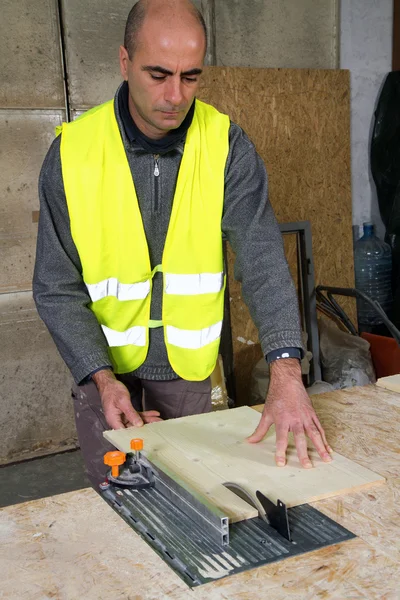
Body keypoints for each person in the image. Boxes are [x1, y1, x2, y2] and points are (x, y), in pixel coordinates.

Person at [33, 0, 332, 488]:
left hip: (186, 375)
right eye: (158, 74)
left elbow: (262, 259)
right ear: (125, 62)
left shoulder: (226, 145)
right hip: (102, 372)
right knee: (119, 501)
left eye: (190, 77)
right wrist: (101, 380)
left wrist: (285, 370)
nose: (175, 95)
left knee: (191, 494)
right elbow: (55, 285)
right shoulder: (72, 153)